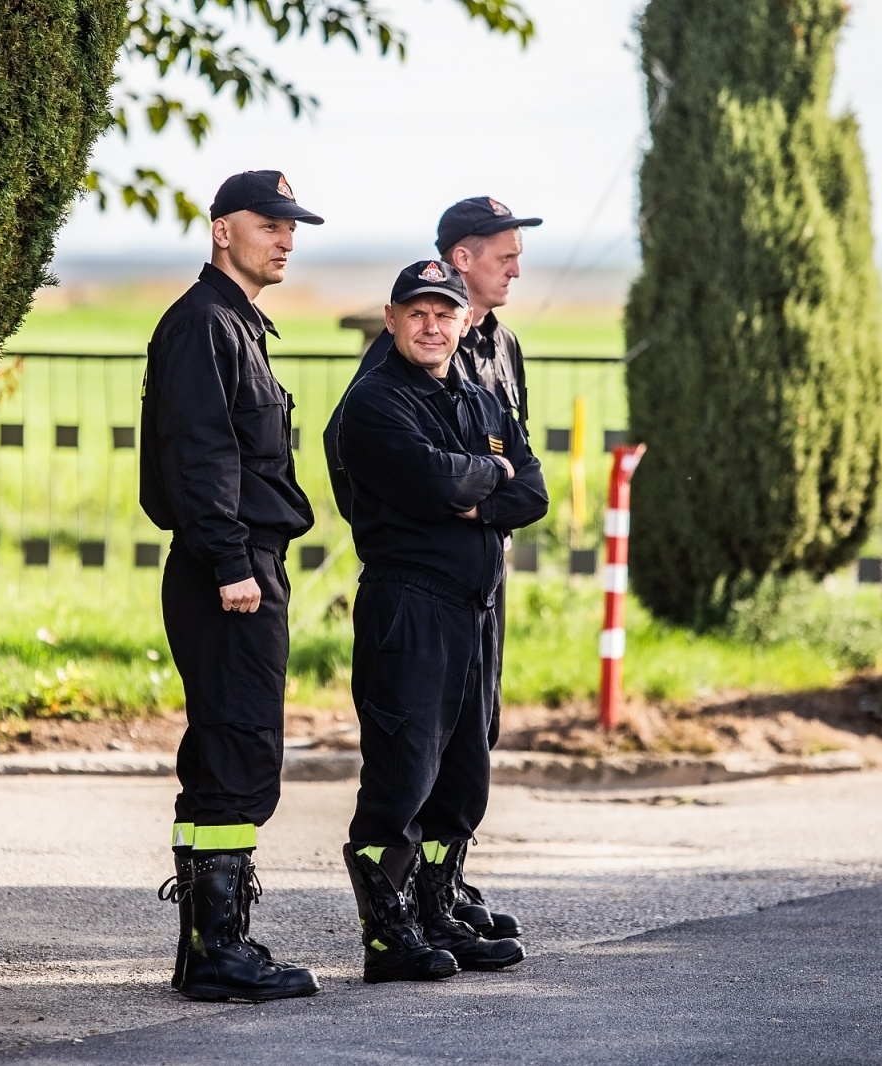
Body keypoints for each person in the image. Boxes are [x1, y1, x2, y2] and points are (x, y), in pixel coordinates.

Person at [322, 197, 541, 942]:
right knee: (408, 758)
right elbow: (410, 473)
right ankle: (393, 920)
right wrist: (436, 503)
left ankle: (440, 902)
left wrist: (476, 493)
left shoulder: (494, 354)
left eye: (443, 315)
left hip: (476, 591)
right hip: (410, 593)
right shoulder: (382, 384)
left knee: (468, 752)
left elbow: (529, 486)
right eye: (503, 254)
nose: (516, 267)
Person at [139, 169, 323, 1003]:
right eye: (270, 222)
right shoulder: (203, 325)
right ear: (222, 231)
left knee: (234, 746)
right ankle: (218, 949)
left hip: (242, 564)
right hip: (231, 571)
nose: (286, 236)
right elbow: (200, 453)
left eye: (293, 225)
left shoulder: (236, 325)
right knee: (234, 750)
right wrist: (231, 564)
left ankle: (211, 946)